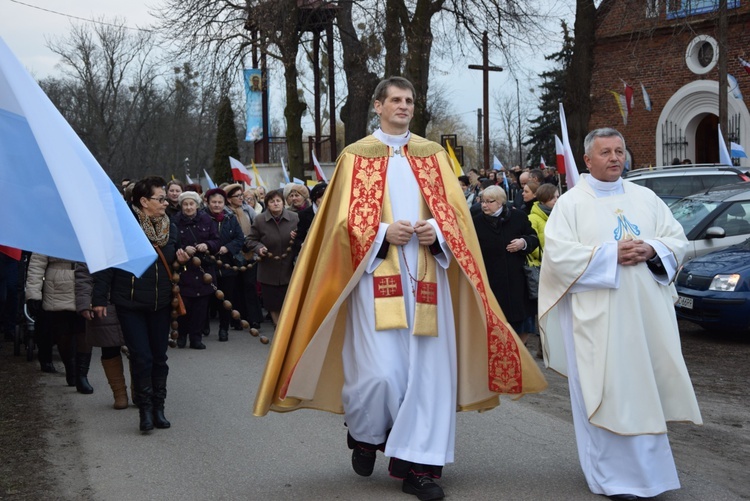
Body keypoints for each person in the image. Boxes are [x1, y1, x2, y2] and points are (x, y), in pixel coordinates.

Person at [252, 76, 546, 501]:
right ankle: (365, 432)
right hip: (374, 279)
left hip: (430, 279)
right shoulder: (355, 157)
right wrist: (383, 232)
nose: (403, 106)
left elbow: (459, 219)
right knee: (379, 376)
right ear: (378, 105)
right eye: (395, 100)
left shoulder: (433, 157)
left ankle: (420, 468)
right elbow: (337, 225)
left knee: (429, 377)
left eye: (409, 100)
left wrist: (438, 234)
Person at [538, 128, 702, 499]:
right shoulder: (571, 203)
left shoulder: (645, 197)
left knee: (642, 391)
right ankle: (610, 477)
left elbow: (676, 239)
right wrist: (610, 254)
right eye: (606, 152)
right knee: (608, 390)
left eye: (619, 151)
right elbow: (558, 259)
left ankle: (651, 475)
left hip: (645, 316)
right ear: (587, 160)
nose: (615, 158)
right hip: (597, 318)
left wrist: (653, 249)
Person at [93, 176, 190, 432]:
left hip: (160, 302)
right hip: (131, 303)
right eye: (160, 198)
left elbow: (174, 261)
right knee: (142, 357)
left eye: (166, 197)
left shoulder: (172, 227)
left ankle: (159, 409)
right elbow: (108, 264)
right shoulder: (124, 227)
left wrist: (183, 259)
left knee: (159, 357)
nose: (166, 202)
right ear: (144, 201)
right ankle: (145, 412)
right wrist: (99, 298)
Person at [472, 186, 539, 345]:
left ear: (501, 202)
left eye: (490, 201)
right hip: (491, 280)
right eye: (483, 201)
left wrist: (523, 242)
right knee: (496, 323)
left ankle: (521, 354)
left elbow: (533, 238)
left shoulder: (518, 217)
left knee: (521, 323)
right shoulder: (476, 221)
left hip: (517, 280)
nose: (485, 205)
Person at [26, 254, 92, 390]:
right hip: (57, 285)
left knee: (84, 330)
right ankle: (70, 368)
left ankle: (82, 375)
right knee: (63, 332)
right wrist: (33, 294)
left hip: (86, 280)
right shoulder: (50, 233)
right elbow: (37, 263)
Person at [75, 263, 129, 409]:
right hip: (102, 303)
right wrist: (84, 303)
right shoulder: (94, 244)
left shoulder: (131, 240)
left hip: (130, 301)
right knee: (109, 348)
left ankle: (140, 391)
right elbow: (83, 275)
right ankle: (119, 394)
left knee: (137, 348)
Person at [243, 189, 298, 328]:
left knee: (289, 301)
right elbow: (250, 240)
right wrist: (259, 247)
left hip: (289, 267)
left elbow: (306, 237)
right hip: (268, 268)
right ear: (267, 204)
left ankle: (287, 329)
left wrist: (297, 237)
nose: (275, 204)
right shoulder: (260, 219)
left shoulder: (294, 217)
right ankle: (278, 327)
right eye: (272, 201)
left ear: (283, 203)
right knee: (272, 303)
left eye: (278, 201)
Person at [173, 191, 220, 349]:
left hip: (203, 270)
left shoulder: (207, 219)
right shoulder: (175, 222)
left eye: (191, 204)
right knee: (183, 305)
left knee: (200, 308)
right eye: (185, 204)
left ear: (197, 205)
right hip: (184, 271)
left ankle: (196, 338)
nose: (188, 207)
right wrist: (183, 249)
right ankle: (181, 335)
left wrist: (207, 245)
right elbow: (172, 243)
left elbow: (216, 240)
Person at [204, 188, 245, 342]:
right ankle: (204, 324)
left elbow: (240, 238)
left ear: (224, 202)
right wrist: (211, 247)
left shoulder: (230, 218)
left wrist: (227, 247)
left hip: (227, 265)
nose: (217, 205)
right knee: (207, 297)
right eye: (213, 202)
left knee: (226, 298)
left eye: (220, 202)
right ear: (207, 203)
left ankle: (224, 328)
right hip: (208, 264)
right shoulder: (202, 217)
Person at [527, 183, 559, 360]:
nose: (557, 200)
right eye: (553, 197)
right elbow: (532, 245)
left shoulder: (558, 216)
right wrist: (548, 252)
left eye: (557, 197)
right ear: (544, 199)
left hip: (557, 267)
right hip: (542, 267)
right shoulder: (534, 218)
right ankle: (543, 347)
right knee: (545, 310)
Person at [293, 182, 327, 253]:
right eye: (321, 197)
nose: (324, 199)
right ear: (315, 198)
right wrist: (302, 244)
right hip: (310, 252)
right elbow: (298, 238)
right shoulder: (303, 215)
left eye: (327, 196)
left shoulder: (335, 212)